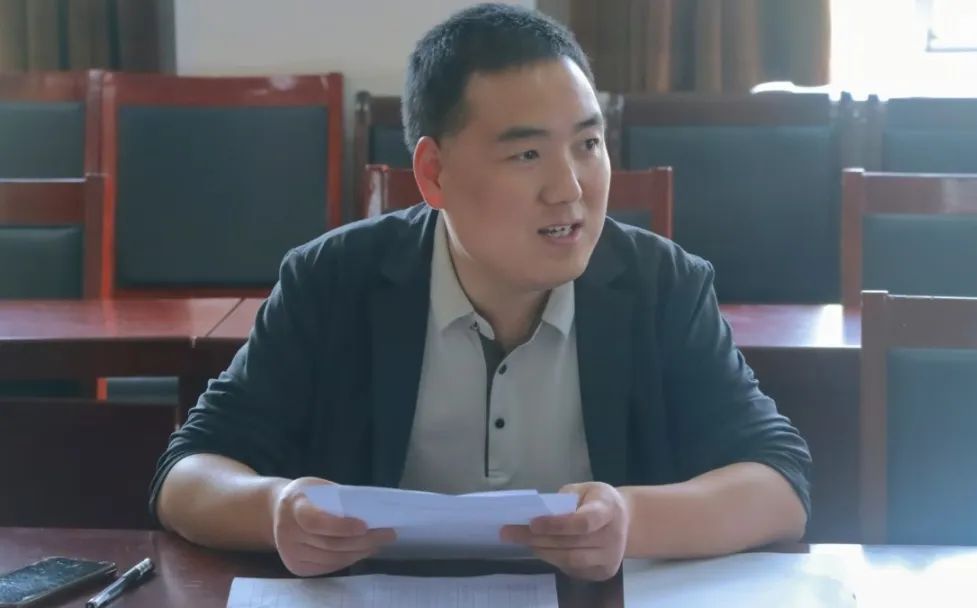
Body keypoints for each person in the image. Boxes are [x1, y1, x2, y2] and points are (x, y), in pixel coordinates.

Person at [151, 3, 811, 582]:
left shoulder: (662, 285)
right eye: (527, 155)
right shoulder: (333, 281)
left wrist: (629, 520)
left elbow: (779, 483)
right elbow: (186, 473)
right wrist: (276, 510)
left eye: (588, 143)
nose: (569, 188)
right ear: (434, 174)